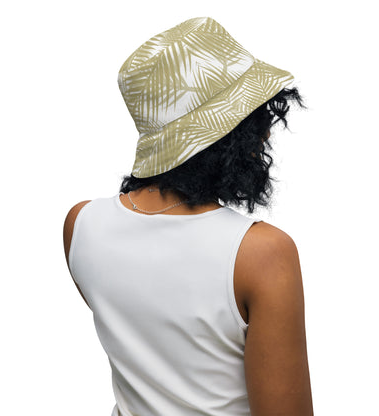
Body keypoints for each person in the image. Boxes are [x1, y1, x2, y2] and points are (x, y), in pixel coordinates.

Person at [63, 16, 314, 416]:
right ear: (229, 132)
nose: (265, 134)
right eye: (256, 120)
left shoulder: (81, 225)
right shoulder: (261, 252)